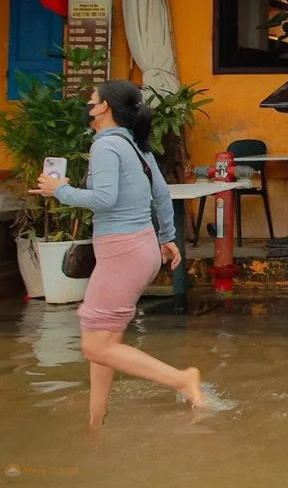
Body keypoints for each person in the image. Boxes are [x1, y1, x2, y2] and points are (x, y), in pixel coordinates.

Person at [32, 81, 202, 428]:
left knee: (95, 346)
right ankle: (96, 422)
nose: (88, 104)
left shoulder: (107, 146)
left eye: (91, 99)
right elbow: (162, 195)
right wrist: (167, 237)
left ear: (104, 107)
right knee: (104, 341)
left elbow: (105, 198)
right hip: (140, 247)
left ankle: (182, 379)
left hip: (122, 251)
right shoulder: (137, 145)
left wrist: (60, 189)